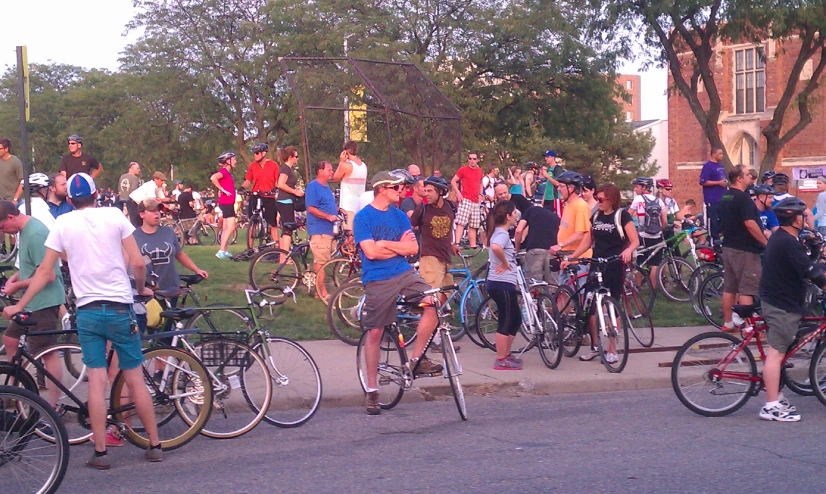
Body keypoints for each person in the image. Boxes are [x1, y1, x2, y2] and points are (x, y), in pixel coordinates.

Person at [2, 173, 162, 468]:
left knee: (96, 380)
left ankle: (100, 452)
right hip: (119, 307)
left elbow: (43, 273)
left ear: (71, 199)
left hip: (89, 310)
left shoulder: (62, 224)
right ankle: (154, 444)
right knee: (134, 377)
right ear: (96, 194)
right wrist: (140, 289)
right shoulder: (114, 215)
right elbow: (138, 263)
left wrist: (19, 305)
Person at [356, 171, 441, 415]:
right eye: (396, 187)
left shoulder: (401, 216)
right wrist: (396, 249)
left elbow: (413, 247)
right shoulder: (363, 218)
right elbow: (370, 254)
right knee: (375, 332)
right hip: (377, 278)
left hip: (404, 274)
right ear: (382, 189)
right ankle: (372, 390)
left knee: (433, 301)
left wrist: (385, 244)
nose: (401, 190)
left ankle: (415, 361)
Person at [758, 197, 826, 421]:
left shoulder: (783, 238)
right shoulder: (788, 242)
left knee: (781, 351)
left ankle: (775, 394)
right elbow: (813, 274)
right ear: (795, 219)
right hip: (781, 306)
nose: (806, 218)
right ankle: (771, 405)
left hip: (782, 301)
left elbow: (805, 265)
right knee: (776, 354)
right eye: (803, 215)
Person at [563, 183, 639, 362]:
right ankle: (595, 346)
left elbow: (634, 240)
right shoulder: (596, 215)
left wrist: (627, 251)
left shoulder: (622, 216)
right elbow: (587, 241)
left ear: (612, 199)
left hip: (614, 264)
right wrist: (572, 257)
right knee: (591, 308)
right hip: (596, 264)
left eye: (601, 199)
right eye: (597, 199)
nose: (598, 202)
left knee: (613, 305)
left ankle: (612, 349)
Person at [0, 201, 65, 407]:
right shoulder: (23, 231)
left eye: (1, 227)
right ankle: (14, 392)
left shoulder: (36, 233)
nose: (3, 232)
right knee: (10, 339)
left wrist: (17, 284)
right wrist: (16, 277)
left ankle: (54, 406)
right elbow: (33, 264)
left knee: (46, 352)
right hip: (33, 300)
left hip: (45, 302)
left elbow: (49, 275)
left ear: (10, 218)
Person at [718, 164, 767, 332]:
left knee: (730, 288)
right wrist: (765, 242)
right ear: (739, 178)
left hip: (729, 246)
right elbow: (750, 224)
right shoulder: (743, 198)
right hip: (745, 249)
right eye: (747, 174)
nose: (751, 177)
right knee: (747, 289)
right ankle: (748, 327)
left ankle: (728, 323)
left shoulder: (725, 197)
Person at [411, 176, 459, 335]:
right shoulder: (423, 209)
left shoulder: (450, 207)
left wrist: (451, 244)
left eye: (430, 190)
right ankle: (434, 336)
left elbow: (448, 229)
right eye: (425, 190)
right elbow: (411, 226)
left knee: (445, 294)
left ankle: (437, 327)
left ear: (440, 192)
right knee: (433, 298)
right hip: (429, 257)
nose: (427, 193)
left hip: (445, 257)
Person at [134, 199, 208, 294]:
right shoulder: (134, 236)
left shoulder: (168, 232)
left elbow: (179, 254)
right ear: (142, 214)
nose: (156, 213)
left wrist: (196, 269)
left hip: (171, 288)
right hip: (148, 290)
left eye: (158, 210)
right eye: (152, 211)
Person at [485, 200, 523, 370]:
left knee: (516, 318)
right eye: (514, 213)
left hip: (504, 283)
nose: (516, 216)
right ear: (508, 216)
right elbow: (495, 247)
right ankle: (501, 359)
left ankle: (506, 355)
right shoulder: (502, 234)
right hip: (500, 283)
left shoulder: (499, 232)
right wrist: (505, 262)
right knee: (506, 320)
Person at [550, 172, 592, 288]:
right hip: (567, 258)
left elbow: (580, 233)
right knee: (563, 295)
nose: (558, 189)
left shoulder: (581, 206)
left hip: (579, 260)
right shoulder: (568, 205)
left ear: (571, 188)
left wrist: (561, 245)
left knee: (578, 297)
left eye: (561, 186)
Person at [306, 161, 339, 301]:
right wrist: (328, 216)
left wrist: (338, 210)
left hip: (328, 230)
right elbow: (311, 208)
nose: (332, 172)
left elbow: (327, 205)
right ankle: (322, 293)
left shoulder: (326, 187)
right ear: (320, 171)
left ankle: (317, 291)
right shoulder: (313, 187)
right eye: (329, 170)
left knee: (321, 261)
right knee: (321, 264)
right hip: (319, 230)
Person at [629, 177, 667, 287]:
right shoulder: (659, 201)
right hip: (657, 236)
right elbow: (664, 220)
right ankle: (652, 291)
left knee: (640, 263)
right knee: (655, 265)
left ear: (644, 187)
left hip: (642, 236)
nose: (635, 189)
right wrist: (660, 230)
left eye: (636, 186)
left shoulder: (638, 200)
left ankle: (638, 288)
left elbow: (627, 216)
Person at [241, 143, 280, 249]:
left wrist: (275, 188)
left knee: (272, 222)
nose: (255, 155)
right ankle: (249, 247)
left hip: (268, 196)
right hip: (256, 194)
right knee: (253, 221)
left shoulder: (273, 165)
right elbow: (248, 180)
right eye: (254, 153)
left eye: (257, 153)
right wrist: (242, 188)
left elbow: (277, 181)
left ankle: (277, 246)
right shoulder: (253, 166)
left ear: (264, 153)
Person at [514, 204, 560, 286]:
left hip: (535, 250)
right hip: (552, 253)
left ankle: (534, 297)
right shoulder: (556, 217)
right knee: (554, 286)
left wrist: (517, 249)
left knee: (533, 285)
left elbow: (518, 230)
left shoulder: (531, 210)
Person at [451, 151, 484, 249]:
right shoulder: (463, 170)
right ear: (468, 159)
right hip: (465, 199)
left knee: (473, 224)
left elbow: (480, 183)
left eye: (474, 159)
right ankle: (457, 243)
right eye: (470, 158)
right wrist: (458, 193)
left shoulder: (479, 171)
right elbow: (453, 181)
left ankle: (473, 245)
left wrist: (481, 194)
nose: (472, 161)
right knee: (461, 222)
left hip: (475, 200)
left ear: (477, 160)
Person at [275, 146, 305, 256]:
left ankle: (282, 256)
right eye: (296, 156)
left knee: (285, 229)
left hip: (286, 201)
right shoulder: (285, 169)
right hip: (285, 201)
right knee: (288, 229)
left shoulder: (288, 169)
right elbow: (280, 184)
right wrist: (295, 192)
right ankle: (285, 257)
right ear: (290, 157)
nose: (297, 159)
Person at [334, 140, 368, 231]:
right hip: (359, 205)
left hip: (348, 206)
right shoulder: (363, 166)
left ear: (345, 152)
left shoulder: (347, 166)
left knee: (348, 234)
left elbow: (336, 177)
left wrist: (341, 161)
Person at [211, 152, 238, 259]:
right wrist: (222, 189)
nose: (235, 161)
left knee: (227, 226)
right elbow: (213, 178)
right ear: (228, 161)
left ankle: (225, 250)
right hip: (226, 202)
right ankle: (221, 250)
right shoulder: (224, 171)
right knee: (231, 226)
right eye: (234, 159)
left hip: (227, 202)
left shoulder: (227, 172)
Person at [699, 147, 727, 243]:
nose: (722, 156)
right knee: (713, 223)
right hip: (712, 199)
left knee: (723, 222)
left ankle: (719, 241)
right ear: (714, 154)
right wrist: (718, 183)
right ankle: (712, 242)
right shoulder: (708, 166)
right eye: (720, 153)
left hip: (722, 199)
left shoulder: (720, 165)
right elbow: (703, 181)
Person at [0, 137, 24, 203]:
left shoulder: (15, 162)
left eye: (0, 149)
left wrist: (15, 199)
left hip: (11, 201)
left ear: (6, 149)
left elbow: (22, 182)